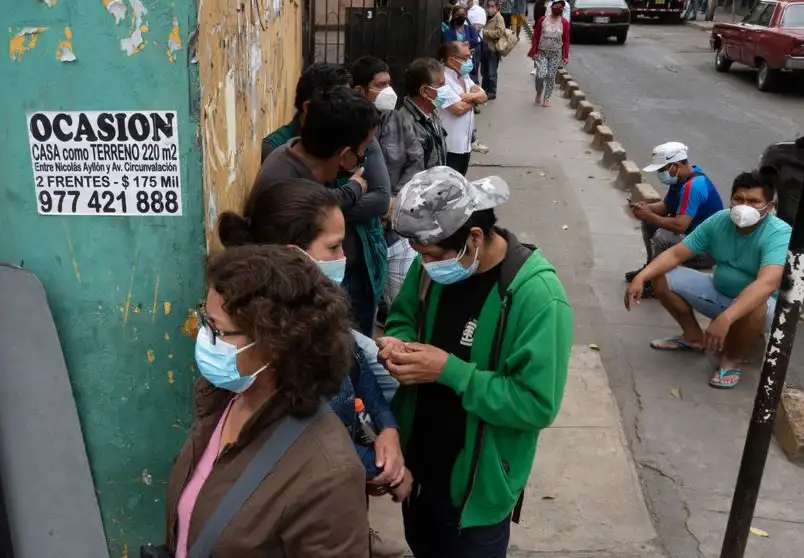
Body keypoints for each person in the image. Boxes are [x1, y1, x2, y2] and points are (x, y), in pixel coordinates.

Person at [379, 167, 572, 558]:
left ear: (475, 238)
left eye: (431, 256)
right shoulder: (432, 265)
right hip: (419, 470)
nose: (424, 264)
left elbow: (535, 404)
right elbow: (402, 317)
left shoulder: (538, 298)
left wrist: (450, 371)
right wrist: (398, 343)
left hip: (476, 489)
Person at [218, 180, 409, 558]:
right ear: (296, 254)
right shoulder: (263, 347)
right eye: (334, 246)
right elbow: (300, 445)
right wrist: (383, 468)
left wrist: (386, 425)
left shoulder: (318, 307)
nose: (345, 256)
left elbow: (355, 363)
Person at [163, 245, 368, 557]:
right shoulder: (222, 400)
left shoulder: (329, 474)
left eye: (218, 331)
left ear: (276, 344)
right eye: (205, 319)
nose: (203, 338)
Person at [625, 170, 792, 389]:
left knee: (756, 304)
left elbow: (766, 284)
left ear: (770, 207)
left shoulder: (778, 233)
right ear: (730, 199)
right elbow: (676, 254)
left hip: (759, 308)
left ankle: (733, 358)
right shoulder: (720, 220)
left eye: (753, 201)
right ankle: (693, 336)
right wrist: (642, 276)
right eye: (739, 199)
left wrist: (726, 318)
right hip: (718, 290)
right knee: (660, 275)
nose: (744, 206)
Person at [253, 86, 389, 339]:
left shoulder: (291, 156)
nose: (363, 157)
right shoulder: (288, 189)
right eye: (363, 151)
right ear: (345, 155)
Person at [349, 56, 425, 315]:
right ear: (359, 90)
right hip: (362, 233)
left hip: (396, 228)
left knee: (405, 303)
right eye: (380, 86)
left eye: (389, 83)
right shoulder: (348, 125)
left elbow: (415, 160)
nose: (388, 92)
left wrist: (393, 201)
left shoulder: (398, 120)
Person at [625, 141, 724, 297]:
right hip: (692, 238)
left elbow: (679, 225)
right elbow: (666, 207)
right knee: (649, 222)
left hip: (706, 251)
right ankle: (650, 268)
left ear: (675, 166)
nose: (659, 174)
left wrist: (649, 214)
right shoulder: (680, 179)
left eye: (661, 170)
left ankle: (656, 283)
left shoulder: (694, 186)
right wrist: (646, 209)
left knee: (662, 237)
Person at [261, 62, 351, 161]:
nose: (348, 112)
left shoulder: (347, 141)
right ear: (308, 108)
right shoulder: (275, 149)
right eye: (339, 104)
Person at [436, 42, 487, 176]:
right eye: (465, 57)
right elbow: (458, 109)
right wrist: (474, 99)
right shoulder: (442, 80)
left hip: (465, 144)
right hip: (450, 146)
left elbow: (484, 96)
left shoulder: (464, 77)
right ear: (452, 60)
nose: (469, 60)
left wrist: (467, 97)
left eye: (470, 56)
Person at [528, 0, 570, 107]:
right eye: (556, 6)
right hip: (542, 52)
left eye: (560, 7)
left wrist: (565, 55)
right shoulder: (543, 20)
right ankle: (539, 92)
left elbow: (566, 40)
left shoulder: (564, 22)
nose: (558, 8)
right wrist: (534, 51)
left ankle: (546, 99)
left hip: (555, 53)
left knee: (551, 76)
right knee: (541, 75)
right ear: (551, 7)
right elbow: (536, 36)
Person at [480, 0, 505, 101]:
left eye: (492, 6)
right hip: (484, 48)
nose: (490, 8)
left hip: (493, 49)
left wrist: (485, 32)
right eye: (488, 6)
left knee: (491, 72)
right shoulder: (485, 16)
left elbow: (499, 32)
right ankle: (484, 90)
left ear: (496, 7)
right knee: (484, 72)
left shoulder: (499, 18)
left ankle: (491, 92)